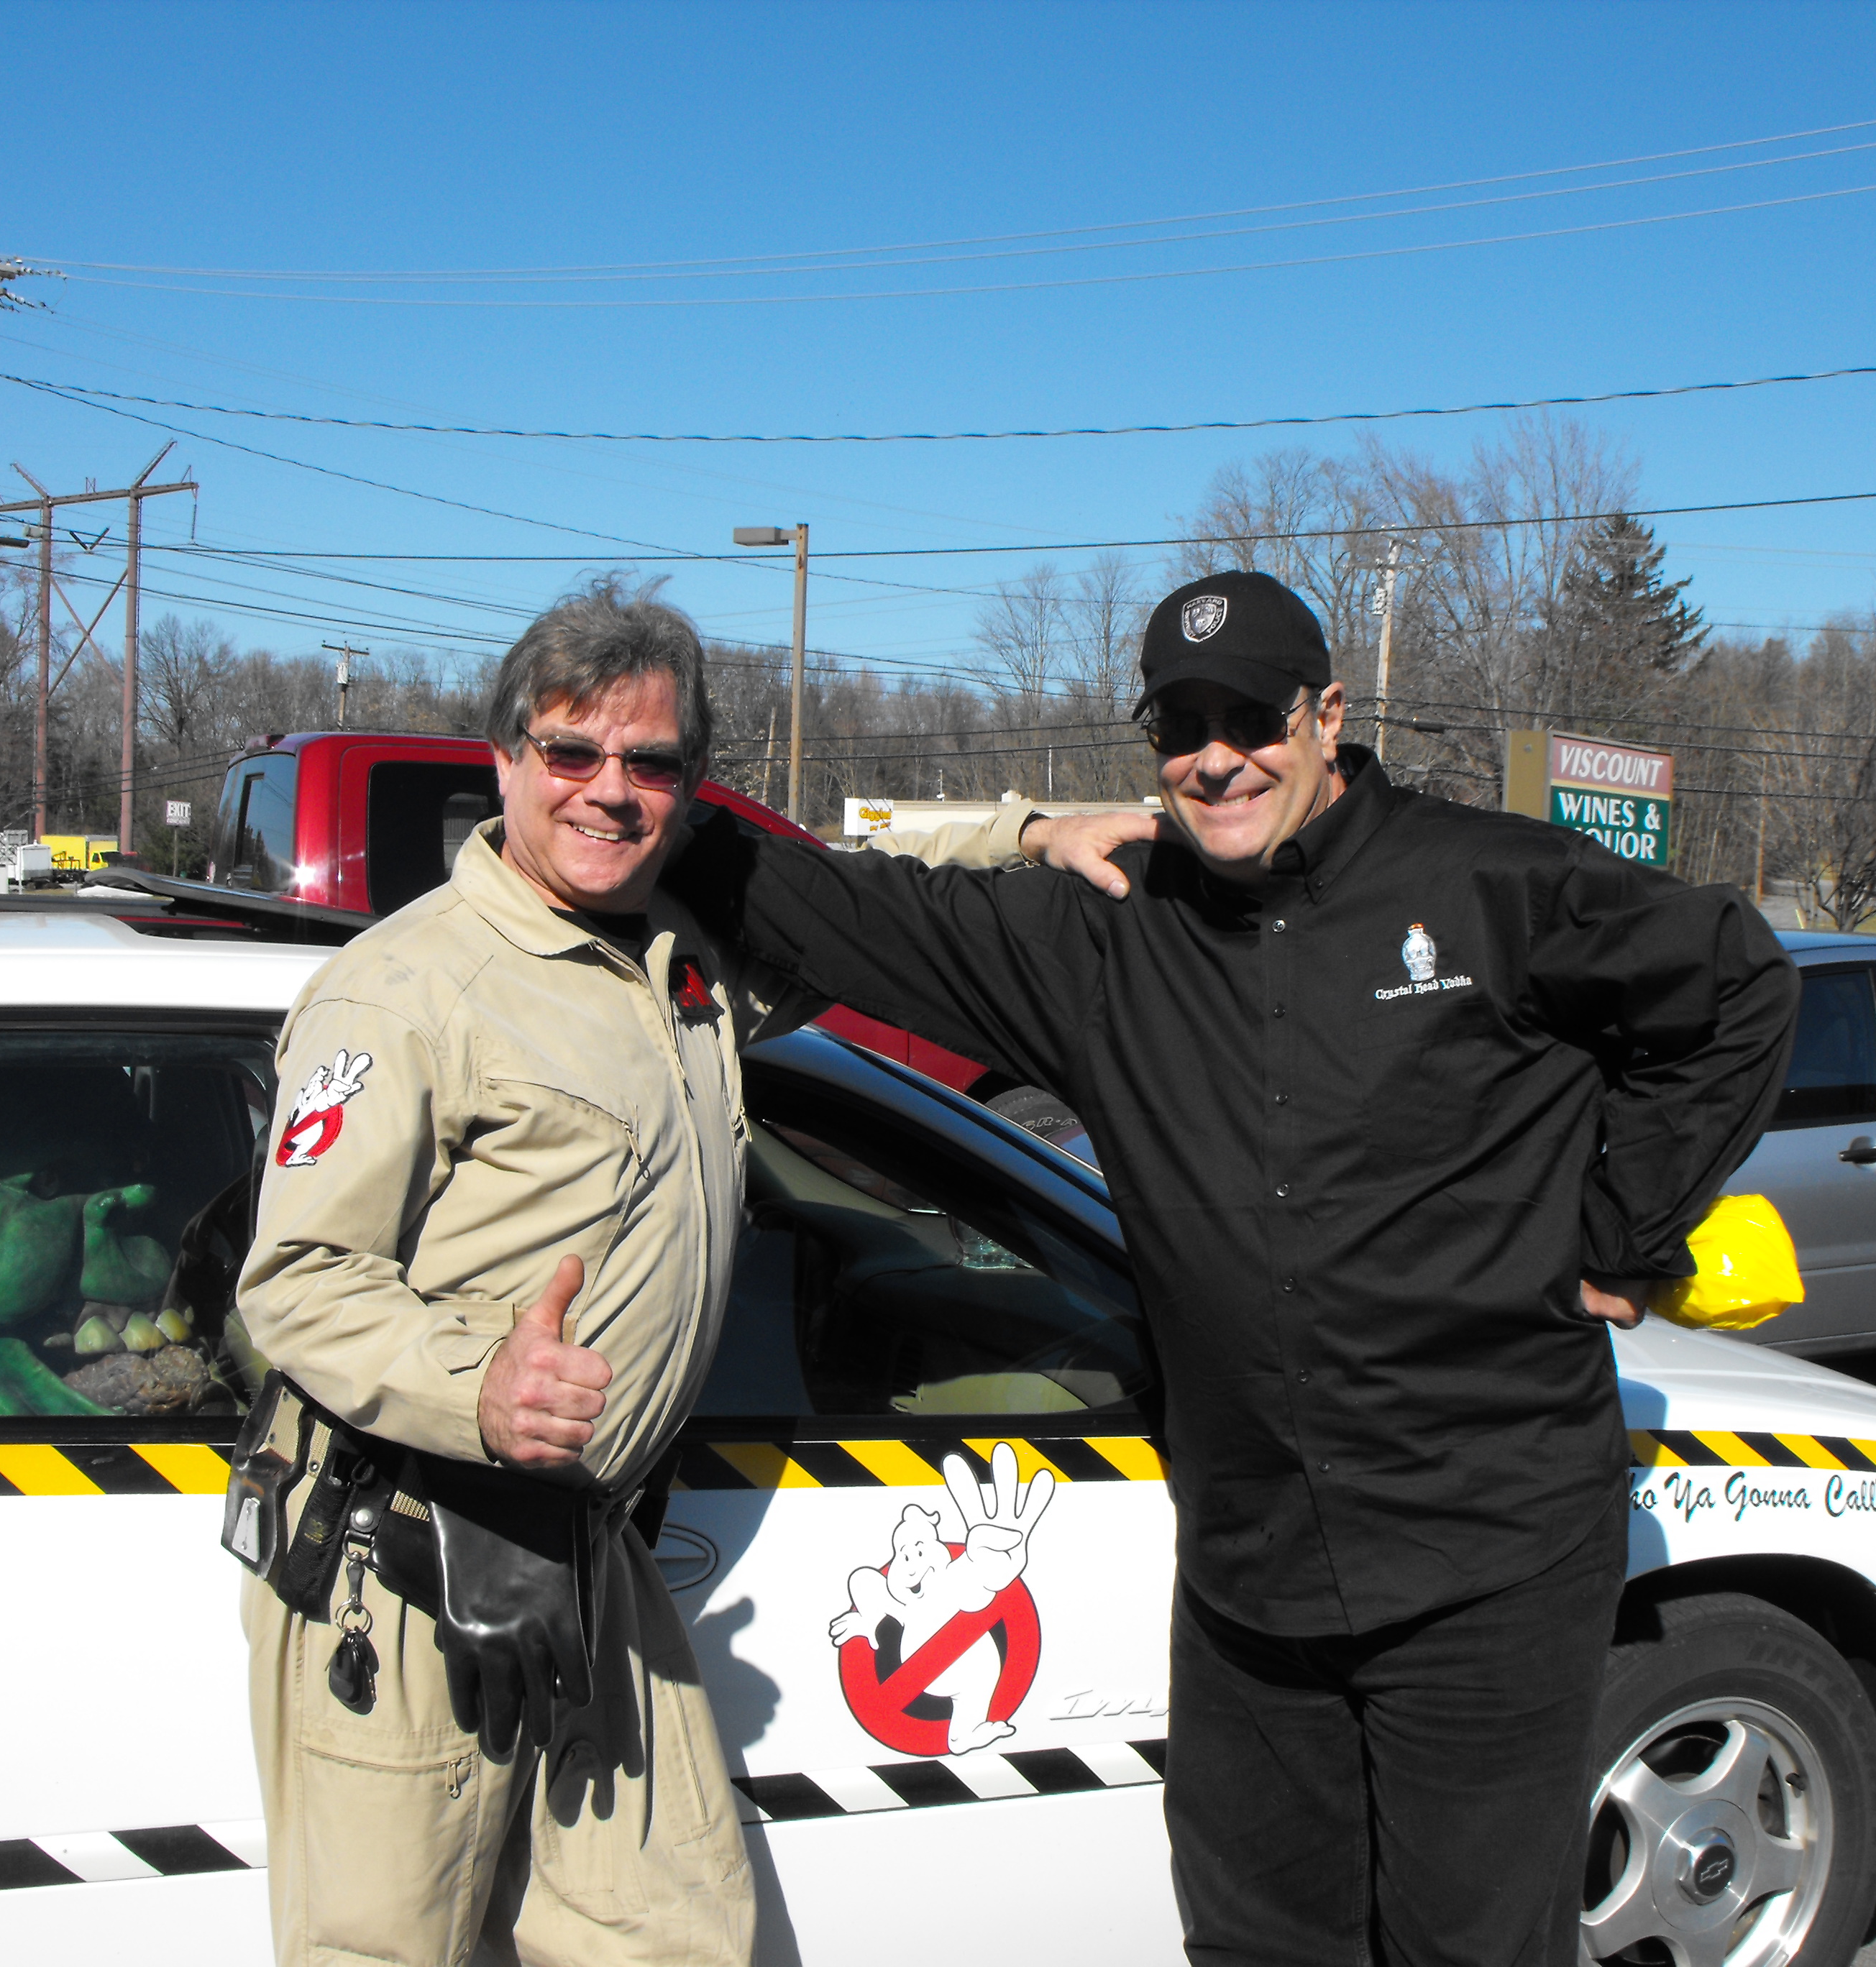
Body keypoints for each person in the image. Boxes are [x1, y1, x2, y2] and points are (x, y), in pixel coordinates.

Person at [663, 569, 1800, 1967]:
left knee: (1472, 1951)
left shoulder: (1490, 885)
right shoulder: (1107, 934)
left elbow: (1739, 985)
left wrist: (1622, 1230)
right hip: (1254, 1581)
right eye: (1178, 724)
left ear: (1326, 716)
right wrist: (621, 796)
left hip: (1489, 1556)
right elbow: (841, 912)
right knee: (1258, 1943)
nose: (1215, 755)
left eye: (1250, 715)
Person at [229, 582, 1033, 1966]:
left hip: (585, 1550)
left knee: (674, 1935)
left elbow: (862, 878)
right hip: (401, 1555)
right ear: (505, 759)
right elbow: (296, 1276)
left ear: (690, 785)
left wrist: (1039, 829)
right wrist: (479, 1384)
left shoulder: (684, 965)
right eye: (571, 752)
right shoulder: (405, 988)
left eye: (650, 763)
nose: (610, 792)